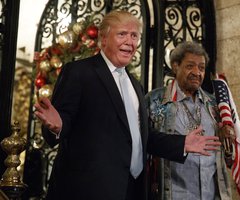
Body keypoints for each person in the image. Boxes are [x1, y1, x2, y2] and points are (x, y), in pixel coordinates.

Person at [34, 10, 222, 200]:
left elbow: (143, 137)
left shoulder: (135, 85)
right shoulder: (79, 72)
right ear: (104, 38)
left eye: (134, 36)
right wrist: (58, 127)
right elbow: (59, 125)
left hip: (131, 191)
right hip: (86, 190)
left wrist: (182, 143)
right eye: (122, 34)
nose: (129, 41)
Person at [146, 41, 234, 200]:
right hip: (172, 194)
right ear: (175, 66)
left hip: (211, 195)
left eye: (201, 68)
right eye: (190, 66)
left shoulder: (214, 104)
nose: (197, 72)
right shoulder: (155, 101)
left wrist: (227, 141)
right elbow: (144, 145)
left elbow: (228, 158)